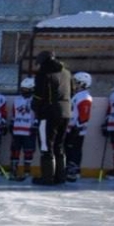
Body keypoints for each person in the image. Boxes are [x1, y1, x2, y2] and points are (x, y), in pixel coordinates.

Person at [32, 49, 72, 185]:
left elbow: (38, 95)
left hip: (48, 113)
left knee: (46, 145)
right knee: (59, 145)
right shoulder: (67, 73)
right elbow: (70, 91)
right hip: (66, 112)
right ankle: (60, 176)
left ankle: (47, 177)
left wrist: (36, 108)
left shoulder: (44, 73)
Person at [65, 71, 93, 181]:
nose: (73, 85)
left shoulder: (84, 97)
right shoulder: (76, 96)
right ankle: (68, 168)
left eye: (76, 82)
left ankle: (74, 170)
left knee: (75, 149)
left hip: (77, 130)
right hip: (70, 128)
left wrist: (77, 127)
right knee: (68, 149)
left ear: (83, 83)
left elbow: (84, 115)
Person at [8, 77, 37, 181]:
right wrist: (12, 123)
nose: (23, 91)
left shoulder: (35, 100)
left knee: (28, 151)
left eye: (26, 89)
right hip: (17, 130)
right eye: (22, 89)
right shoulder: (17, 100)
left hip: (29, 130)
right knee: (15, 150)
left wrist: (35, 125)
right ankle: (13, 169)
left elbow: (38, 115)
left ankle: (27, 170)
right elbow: (14, 113)